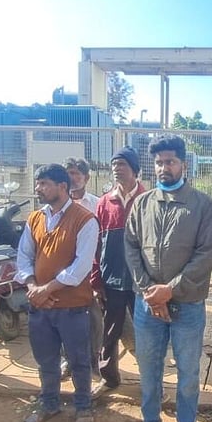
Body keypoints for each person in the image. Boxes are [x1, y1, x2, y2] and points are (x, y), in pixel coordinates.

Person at [122, 135, 212, 422]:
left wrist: (171, 290)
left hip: (187, 305)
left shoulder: (202, 205)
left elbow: (207, 255)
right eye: (160, 162)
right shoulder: (143, 203)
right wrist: (151, 292)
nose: (164, 167)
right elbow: (132, 249)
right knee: (149, 369)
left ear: (184, 165)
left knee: (188, 373)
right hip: (148, 305)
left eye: (171, 161)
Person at [15, 164, 99, 422]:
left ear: (62, 186)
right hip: (41, 306)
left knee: (79, 360)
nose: (38, 188)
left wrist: (46, 289)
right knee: (46, 360)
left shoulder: (85, 220)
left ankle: (83, 407)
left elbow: (81, 267)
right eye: (38, 183)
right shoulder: (35, 219)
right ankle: (49, 403)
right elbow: (24, 258)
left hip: (73, 307)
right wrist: (32, 286)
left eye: (44, 184)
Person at [91, 147, 146, 395]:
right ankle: (110, 378)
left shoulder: (149, 199)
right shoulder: (104, 202)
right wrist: (96, 279)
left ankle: (152, 381)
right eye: (114, 164)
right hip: (111, 280)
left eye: (122, 163)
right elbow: (96, 243)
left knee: (147, 332)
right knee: (109, 331)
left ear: (134, 168)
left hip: (141, 282)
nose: (116, 168)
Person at [60, 157, 101, 381]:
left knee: (94, 318)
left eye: (77, 173)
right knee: (65, 319)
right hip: (63, 272)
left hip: (89, 271)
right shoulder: (57, 205)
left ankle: (94, 361)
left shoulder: (97, 204)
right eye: (69, 172)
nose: (73, 177)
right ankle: (68, 360)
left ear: (86, 177)